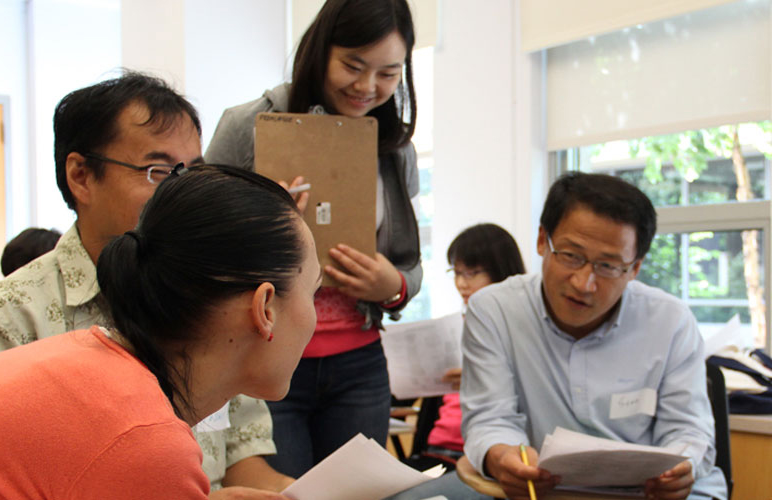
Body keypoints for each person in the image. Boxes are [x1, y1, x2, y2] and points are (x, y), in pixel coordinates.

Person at [0, 73, 293, 497]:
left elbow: (244, 466)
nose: (181, 194)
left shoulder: (212, 296)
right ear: (81, 176)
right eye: (158, 171)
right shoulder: (6, 320)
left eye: (193, 174)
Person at [206, 0, 422, 477]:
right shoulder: (249, 125)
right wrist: (261, 223)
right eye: (353, 65)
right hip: (264, 358)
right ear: (319, 50)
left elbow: (410, 268)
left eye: (388, 73)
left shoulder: (394, 148)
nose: (368, 87)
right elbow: (194, 244)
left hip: (359, 364)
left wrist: (392, 285)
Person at [461, 173, 728, 500]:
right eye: (571, 256)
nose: (583, 283)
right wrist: (503, 457)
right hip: (547, 493)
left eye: (608, 266)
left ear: (634, 268)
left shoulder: (670, 321)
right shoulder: (494, 311)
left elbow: (688, 429)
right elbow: (490, 418)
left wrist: (680, 468)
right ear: (543, 240)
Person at [387, 224, 525, 500]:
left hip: (484, 458)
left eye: (473, 273)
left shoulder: (524, 331)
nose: (462, 283)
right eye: (457, 272)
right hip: (435, 452)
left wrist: (482, 377)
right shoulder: (455, 329)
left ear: (502, 271)